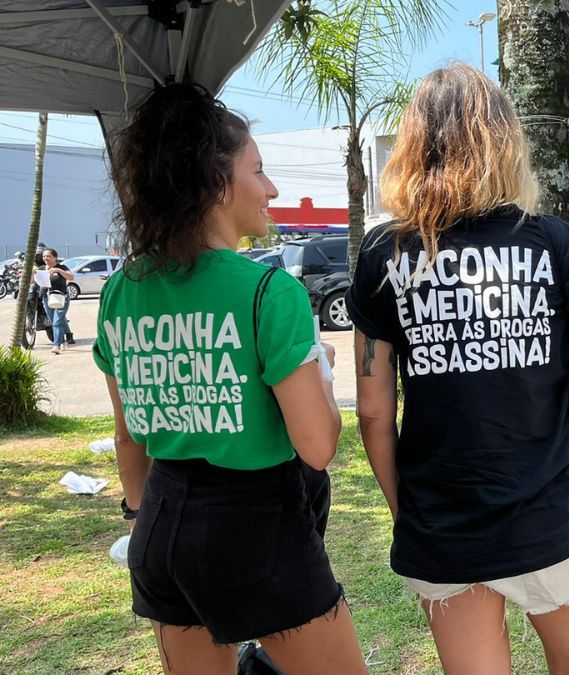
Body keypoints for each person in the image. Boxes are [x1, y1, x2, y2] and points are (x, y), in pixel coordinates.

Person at [348, 63, 569, 675]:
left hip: (443, 524)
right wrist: (563, 368)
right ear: (503, 140)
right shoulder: (551, 241)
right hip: (552, 516)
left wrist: (403, 510)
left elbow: (373, 410)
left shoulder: (386, 253)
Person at [94, 83, 366, 675]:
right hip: (255, 527)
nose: (270, 189)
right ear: (217, 184)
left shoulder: (120, 289)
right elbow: (317, 447)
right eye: (259, 171)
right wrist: (320, 374)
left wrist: (142, 516)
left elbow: (126, 437)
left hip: (160, 526)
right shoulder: (269, 291)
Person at [39, 248, 73, 354]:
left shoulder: (61, 267)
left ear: (55, 257)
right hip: (46, 297)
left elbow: (71, 277)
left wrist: (58, 270)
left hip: (61, 297)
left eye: (48, 256)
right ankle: (63, 340)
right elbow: (34, 281)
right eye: (44, 256)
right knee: (54, 321)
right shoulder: (42, 268)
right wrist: (32, 274)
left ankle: (56, 345)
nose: (46, 258)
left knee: (57, 321)